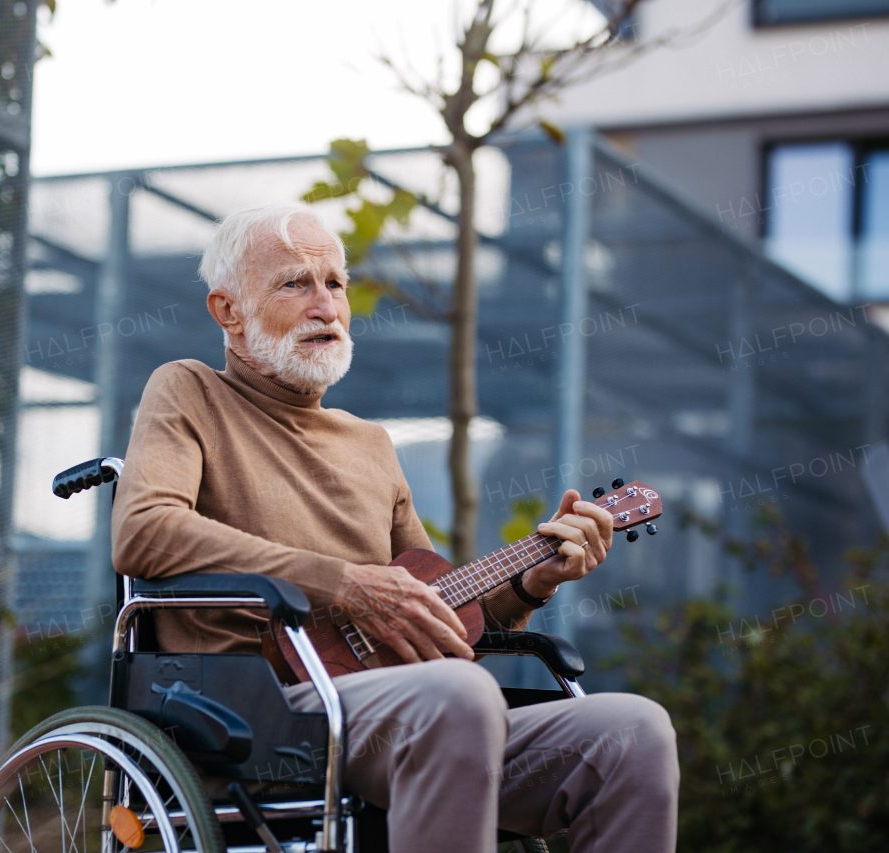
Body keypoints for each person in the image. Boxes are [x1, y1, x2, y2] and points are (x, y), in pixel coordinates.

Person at [111, 202, 678, 851]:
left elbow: (441, 614)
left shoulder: (371, 444)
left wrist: (531, 584)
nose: (325, 304)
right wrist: (341, 583)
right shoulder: (188, 391)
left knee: (635, 731)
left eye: (336, 283)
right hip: (254, 708)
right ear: (228, 312)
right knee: (460, 696)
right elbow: (145, 528)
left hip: (404, 709)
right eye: (296, 282)